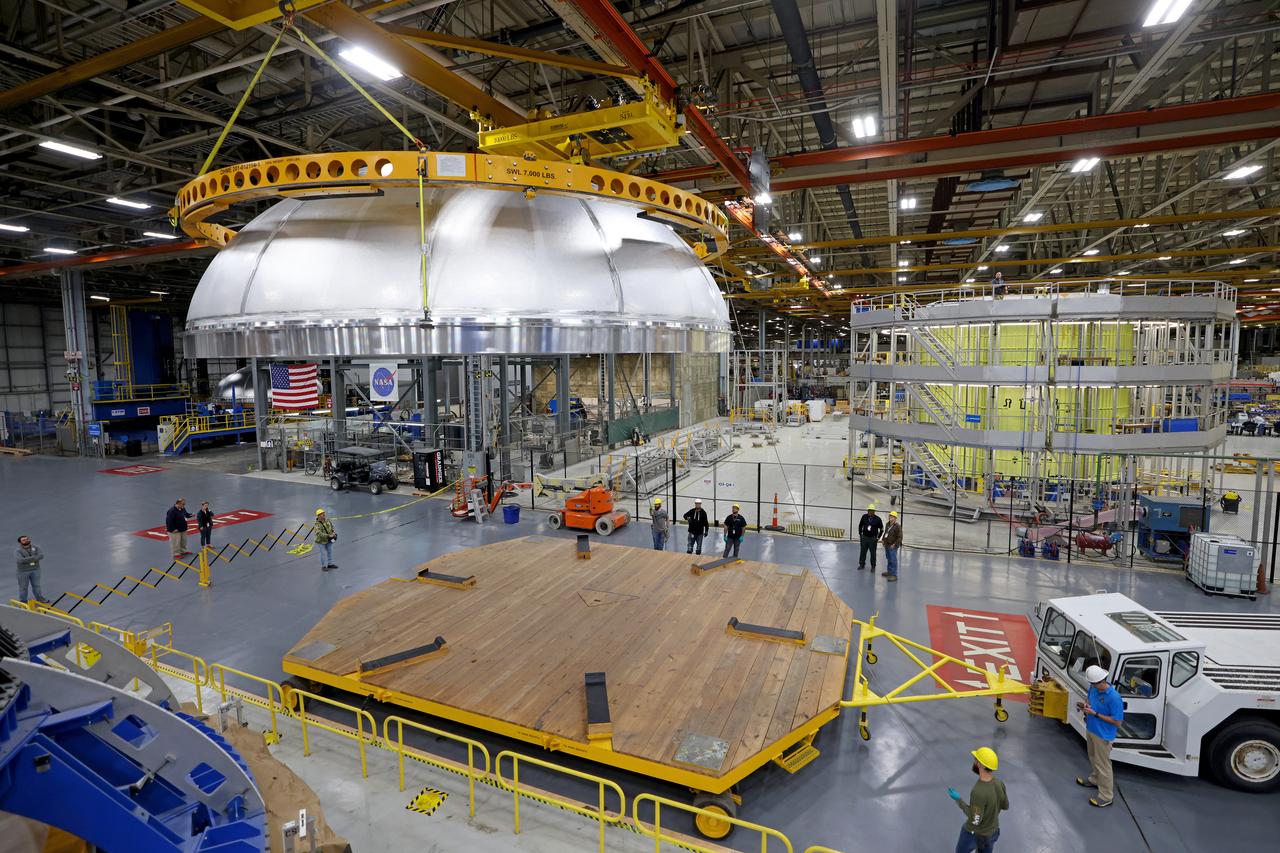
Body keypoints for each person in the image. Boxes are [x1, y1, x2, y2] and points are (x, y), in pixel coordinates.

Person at [1076, 664, 1124, 807]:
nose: (1091, 686)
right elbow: (1089, 700)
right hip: (1091, 729)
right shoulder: (1093, 688)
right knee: (1092, 757)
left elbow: (1117, 722)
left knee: (1103, 765)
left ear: (1100, 681)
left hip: (1103, 736)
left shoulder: (1114, 698)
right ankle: (1095, 779)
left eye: (1092, 683)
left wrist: (1095, 714)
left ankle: (1106, 796)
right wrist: (1086, 706)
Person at [948, 746, 1008, 853]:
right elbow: (1005, 806)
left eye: (976, 760)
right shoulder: (1000, 783)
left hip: (975, 835)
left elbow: (975, 820)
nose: (974, 762)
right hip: (993, 832)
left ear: (981, 765)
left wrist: (958, 800)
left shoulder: (978, 791)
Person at [14, 535, 49, 605]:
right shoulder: (17, 551)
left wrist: (27, 559)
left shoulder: (35, 547)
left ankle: (40, 598)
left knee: (37, 585)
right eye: (23, 540)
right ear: (20, 542)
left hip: (36, 570)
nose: (26, 540)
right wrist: (34, 558)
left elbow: (41, 555)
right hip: (23, 572)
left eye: (27, 539)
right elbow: (21, 560)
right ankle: (23, 601)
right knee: (23, 587)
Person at [857, 504, 883, 571]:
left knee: (873, 553)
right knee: (863, 552)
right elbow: (860, 525)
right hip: (864, 538)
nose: (870, 512)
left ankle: (873, 566)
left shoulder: (878, 519)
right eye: (869, 510)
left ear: (874, 511)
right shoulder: (864, 517)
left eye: (872, 511)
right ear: (867, 511)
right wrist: (860, 534)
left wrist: (878, 538)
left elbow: (881, 529)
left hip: (873, 539)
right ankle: (861, 564)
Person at [881, 510, 902, 582]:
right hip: (887, 544)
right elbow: (885, 532)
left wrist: (895, 544)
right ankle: (889, 571)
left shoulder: (897, 526)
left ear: (895, 518)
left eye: (892, 516)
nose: (890, 517)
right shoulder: (887, 524)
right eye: (890, 516)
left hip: (893, 546)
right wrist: (883, 539)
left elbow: (900, 537)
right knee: (889, 558)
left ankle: (894, 575)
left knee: (893, 560)